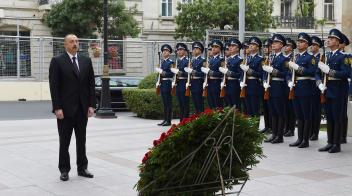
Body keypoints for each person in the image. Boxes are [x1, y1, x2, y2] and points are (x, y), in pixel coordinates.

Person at [49, 34, 95, 181]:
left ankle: (82, 168)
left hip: (82, 109)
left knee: (82, 140)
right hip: (65, 110)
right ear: (65, 44)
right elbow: (54, 86)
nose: (75, 44)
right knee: (64, 141)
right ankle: (64, 169)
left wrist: (91, 105)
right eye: (71, 41)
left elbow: (91, 85)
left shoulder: (86, 61)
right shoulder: (57, 61)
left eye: (76, 41)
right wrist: (57, 108)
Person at [317, 29, 349, 153]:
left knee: (337, 117)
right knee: (329, 117)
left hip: (339, 91)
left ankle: (337, 144)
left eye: (331, 38)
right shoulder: (327, 56)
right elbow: (317, 73)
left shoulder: (344, 56)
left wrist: (329, 71)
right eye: (328, 38)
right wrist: (319, 83)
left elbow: (346, 73)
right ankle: (330, 142)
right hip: (327, 90)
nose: (328, 40)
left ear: (337, 41)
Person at [288, 33, 316, 148]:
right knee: (298, 115)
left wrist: (299, 68)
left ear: (307, 44)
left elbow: (313, 71)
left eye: (302, 41)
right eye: (298, 41)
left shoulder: (311, 58)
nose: (299, 43)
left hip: (306, 88)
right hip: (296, 87)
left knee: (306, 115)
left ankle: (305, 139)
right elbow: (289, 73)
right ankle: (299, 138)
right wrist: (289, 80)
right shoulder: (295, 57)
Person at [263, 34, 289, 143]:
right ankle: (274, 134)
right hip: (270, 87)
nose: (272, 44)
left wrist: (274, 72)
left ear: (281, 45)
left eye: (275, 43)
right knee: (273, 111)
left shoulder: (285, 59)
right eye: (272, 43)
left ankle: (279, 135)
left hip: (279, 88)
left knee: (279, 112)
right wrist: (264, 81)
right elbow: (265, 72)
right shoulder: (270, 58)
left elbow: (286, 74)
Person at [240, 36, 264, 117]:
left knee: (254, 109)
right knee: (248, 109)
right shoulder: (246, 59)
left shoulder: (260, 59)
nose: (250, 46)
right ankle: (250, 128)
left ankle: (255, 128)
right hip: (246, 85)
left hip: (254, 86)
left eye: (253, 44)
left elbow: (261, 74)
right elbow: (242, 73)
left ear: (257, 48)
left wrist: (249, 71)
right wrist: (241, 81)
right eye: (250, 44)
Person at [219, 38, 243, 109]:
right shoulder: (227, 60)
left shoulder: (240, 60)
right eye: (229, 46)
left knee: (235, 106)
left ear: (238, 48)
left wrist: (228, 73)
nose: (230, 47)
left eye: (233, 46)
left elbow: (239, 75)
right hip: (226, 85)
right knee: (227, 106)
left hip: (234, 85)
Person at [202, 39, 224, 109]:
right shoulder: (211, 60)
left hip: (216, 84)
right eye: (212, 47)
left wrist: (211, 73)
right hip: (210, 84)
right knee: (211, 105)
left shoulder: (221, 60)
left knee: (217, 105)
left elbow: (222, 74)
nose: (213, 48)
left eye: (216, 47)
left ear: (220, 49)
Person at [156, 44, 174, 126]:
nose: (164, 52)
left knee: (168, 103)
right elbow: (159, 75)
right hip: (162, 83)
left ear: (169, 53)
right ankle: (165, 119)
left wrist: (162, 72)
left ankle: (168, 120)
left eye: (166, 51)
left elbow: (171, 74)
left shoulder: (171, 62)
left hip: (167, 83)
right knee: (165, 103)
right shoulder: (162, 62)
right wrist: (158, 82)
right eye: (163, 51)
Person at [309, 36, 323, 141]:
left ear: (318, 46)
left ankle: (315, 132)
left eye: (314, 45)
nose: (312, 47)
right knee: (310, 110)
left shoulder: (321, 58)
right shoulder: (310, 57)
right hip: (308, 86)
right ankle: (310, 131)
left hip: (317, 86)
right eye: (311, 45)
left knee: (316, 110)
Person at [185, 42, 205, 114]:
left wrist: (194, 72)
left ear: (201, 50)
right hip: (193, 83)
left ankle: (201, 117)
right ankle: (197, 117)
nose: (194, 50)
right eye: (194, 49)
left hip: (199, 82)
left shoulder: (203, 60)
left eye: (197, 49)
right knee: (195, 102)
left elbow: (204, 73)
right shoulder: (192, 61)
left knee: (199, 102)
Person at [171, 43, 190, 122]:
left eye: (181, 50)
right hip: (178, 83)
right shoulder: (177, 61)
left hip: (184, 83)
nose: (179, 51)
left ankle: (185, 120)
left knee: (185, 103)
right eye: (178, 50)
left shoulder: (187, 61)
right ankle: (181, 120)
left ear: (185, 52)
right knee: (180, 103)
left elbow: (189, 72)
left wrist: (180, 73)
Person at [283, 38, 297, 137]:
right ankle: (286, 127)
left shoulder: (293, 58)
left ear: (292, 48)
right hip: (285, 85)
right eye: (285, 45)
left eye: (288, 46)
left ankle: (291, 129)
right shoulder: (284, 58)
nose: (285, 47)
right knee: (286, 108)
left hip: (292, 86)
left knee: (291, 109)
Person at [339, 33, 350, 144]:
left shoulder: (347, 57)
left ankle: (343, 135)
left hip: (343, 87)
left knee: (342, 112)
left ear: (343, 44)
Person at [261, 38, 273, 134]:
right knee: (265, 107)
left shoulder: (272, 59)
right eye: (264, 47)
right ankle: (267, 126)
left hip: (272, 86)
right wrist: (264, 81)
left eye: (267, 47)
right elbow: (263, 73)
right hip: (264, 86)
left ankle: (272, 127)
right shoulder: (264, 59)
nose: (265, 48)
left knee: (271, 108)